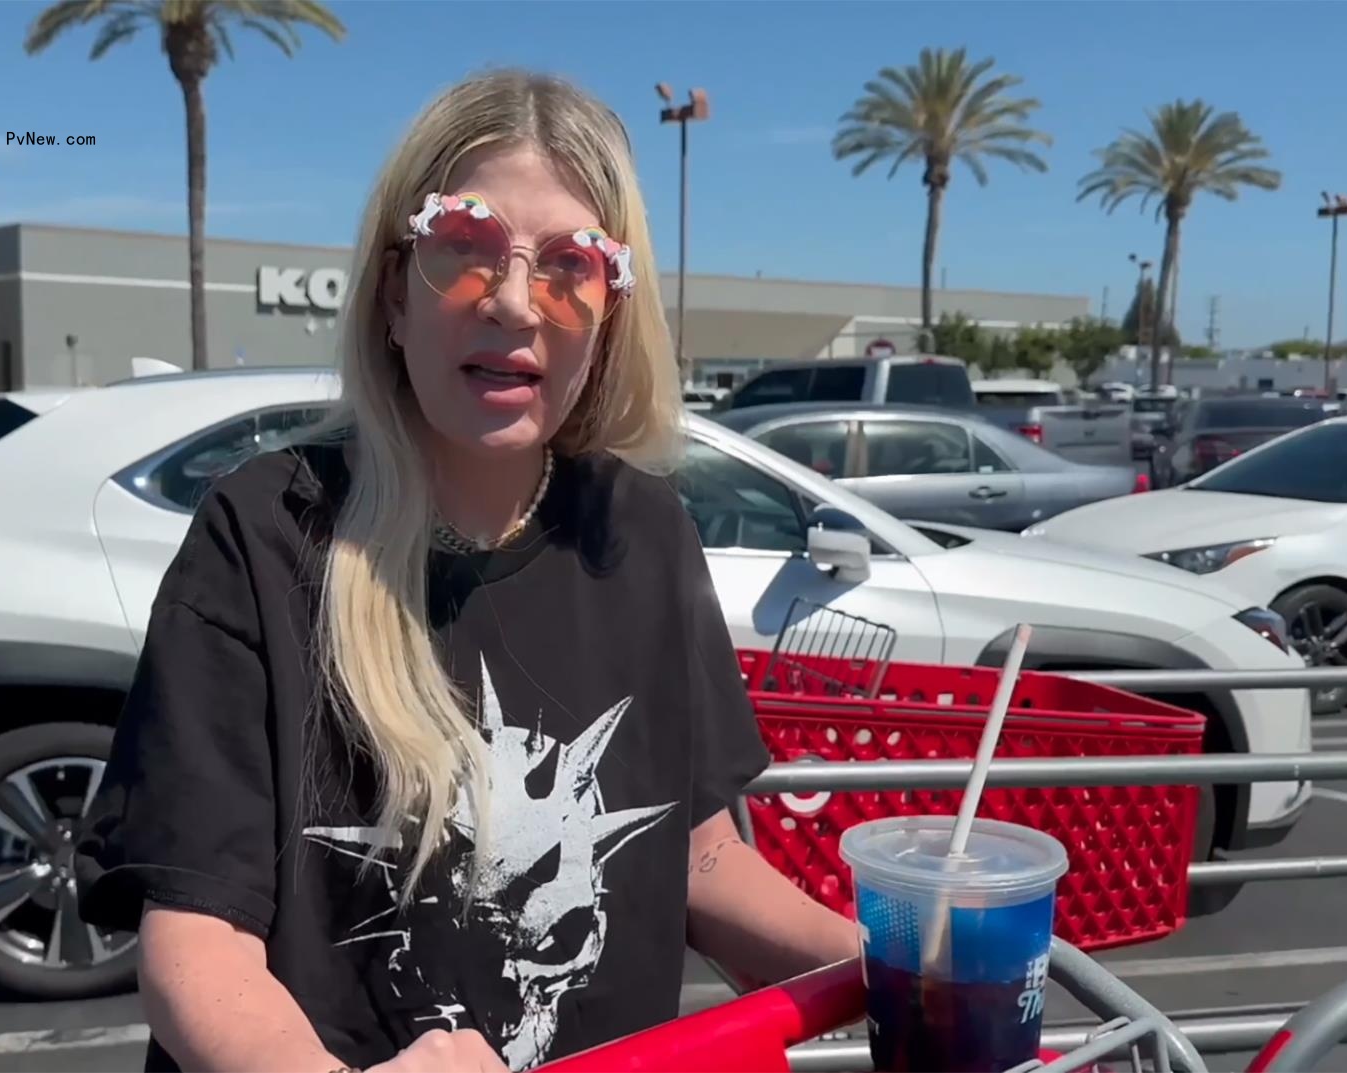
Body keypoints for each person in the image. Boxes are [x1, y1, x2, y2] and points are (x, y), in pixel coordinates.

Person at [75, 68, 858, 1073]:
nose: (517, 304)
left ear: (610, 317)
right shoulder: (262, 536)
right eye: (466, 248)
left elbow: (699, 859)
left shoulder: (643, 531)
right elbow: (196, 943)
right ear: (395, 292)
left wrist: (892, 966)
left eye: (570, 266)